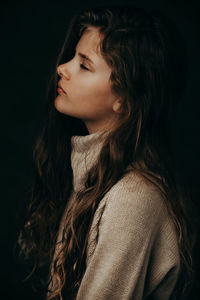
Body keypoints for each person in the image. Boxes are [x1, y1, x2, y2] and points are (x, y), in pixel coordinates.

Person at [16, 4, 197, 300]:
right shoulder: (93, 175)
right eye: (73, 57)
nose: (63, 68)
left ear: (125, 99)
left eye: (84, 65)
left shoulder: (133, 199)